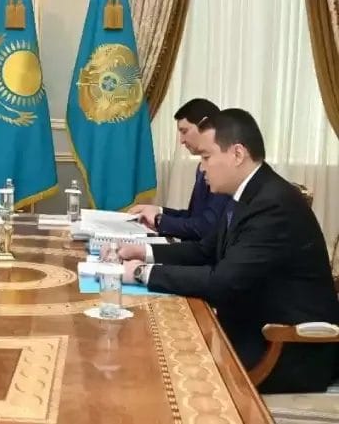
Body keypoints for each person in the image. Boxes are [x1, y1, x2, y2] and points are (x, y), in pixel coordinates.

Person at [113, 108, 339, 393]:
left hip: (283, 347)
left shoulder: (273, 205)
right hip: (249, 325)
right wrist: (142, 252)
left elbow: (223, 282)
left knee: (158, 363)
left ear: (237, 154)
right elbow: (205, 251)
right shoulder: (248, 193)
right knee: (150, 337)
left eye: (206, 157)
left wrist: (143, 273)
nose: (202, 168)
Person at [129, 99, 231, 240]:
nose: (181, 140)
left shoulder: (224, 168)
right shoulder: (202, 166)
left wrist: (159, 221)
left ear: (206, 126)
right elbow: (193, 217)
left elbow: (206, 226)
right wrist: (158, 211)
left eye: (184, 131)